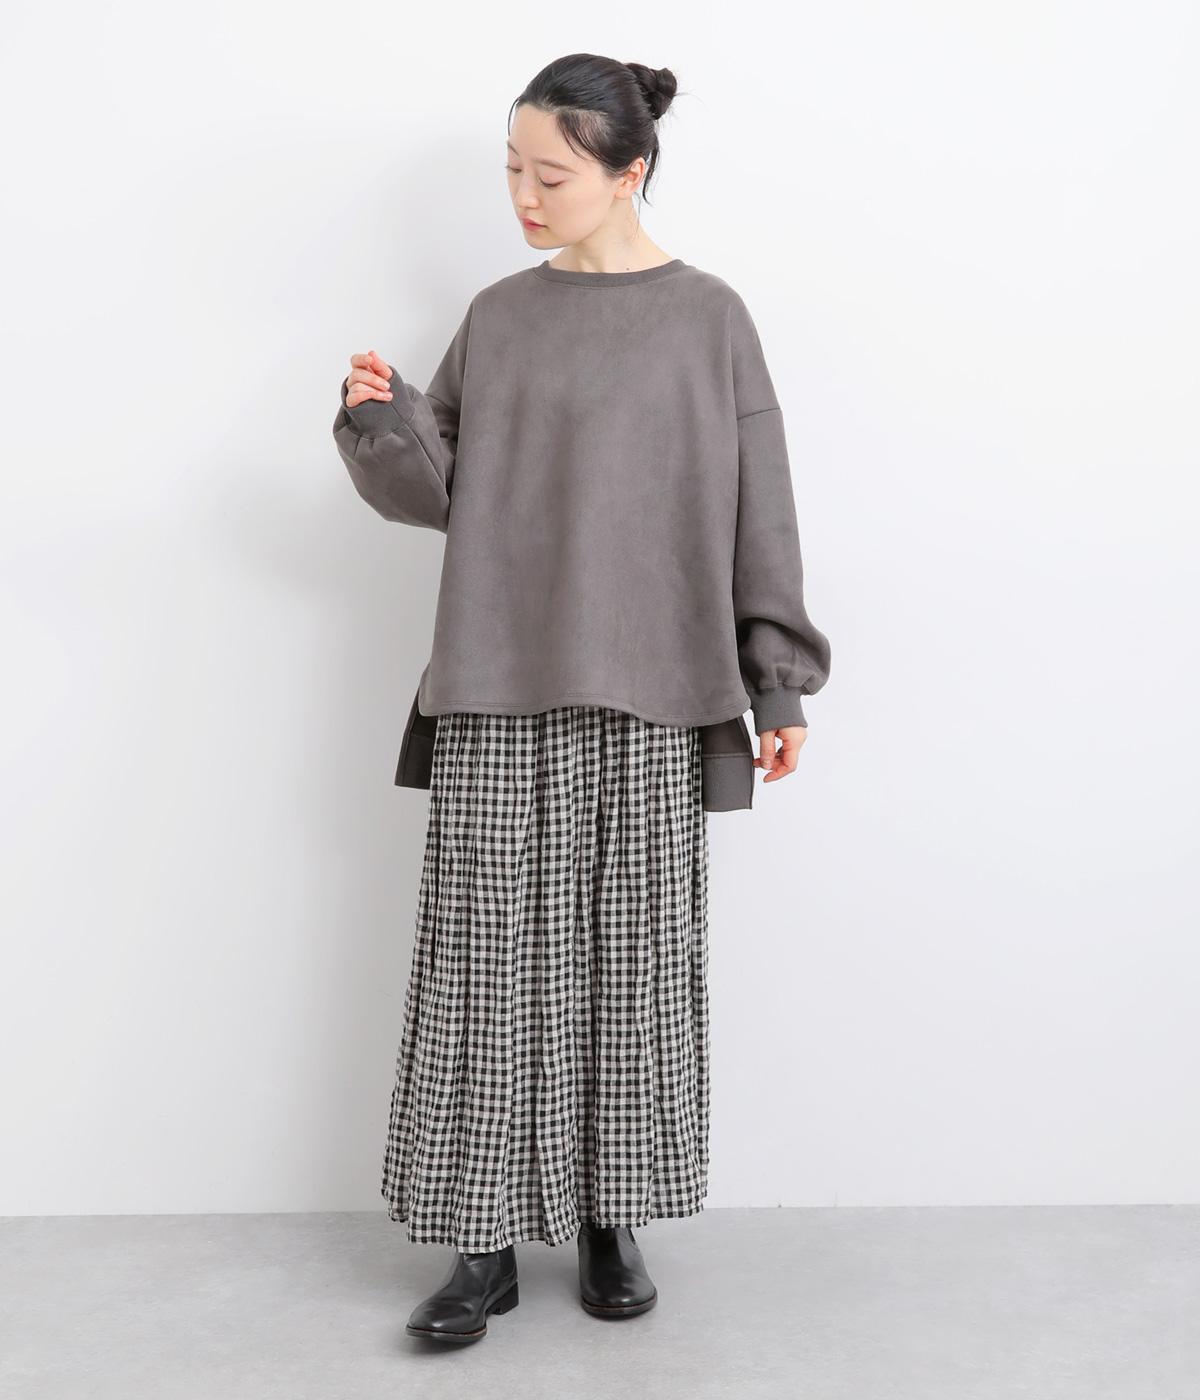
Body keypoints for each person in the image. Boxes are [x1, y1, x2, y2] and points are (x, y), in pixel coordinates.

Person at [332, 52, 832, 1346]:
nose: (523, 196)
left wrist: (777, 681)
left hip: (659, 685)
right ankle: (482, 1245)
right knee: (484, 973)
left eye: (548, 174)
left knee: (633, 970)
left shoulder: (710, 318)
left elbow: (762, 511)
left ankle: (615, 1220)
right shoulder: (499, 318)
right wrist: (382, 424)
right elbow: (442, 491)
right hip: (500, 678)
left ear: (629, 171)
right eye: (511, 169)